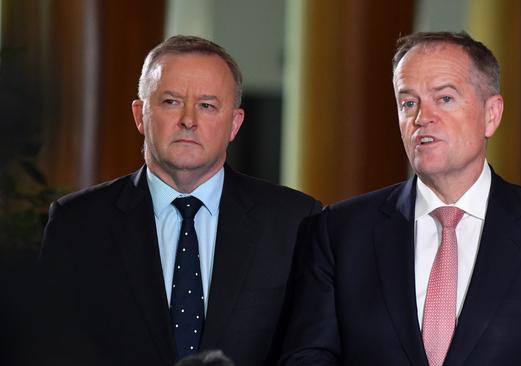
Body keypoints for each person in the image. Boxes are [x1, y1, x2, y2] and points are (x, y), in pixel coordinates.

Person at [280, 32, 521, 365]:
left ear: (491, 115)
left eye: (444, 98)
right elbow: (306, 357)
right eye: (408, 102)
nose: (421, 118)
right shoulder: (339, 232)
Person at [35, 35, 321, 366]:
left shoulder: (295, 221)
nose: (189, 120)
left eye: (207, 105)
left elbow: (310, 350)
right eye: (171, 101)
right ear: (140, 115)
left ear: (235, 123)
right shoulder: (77, 222)